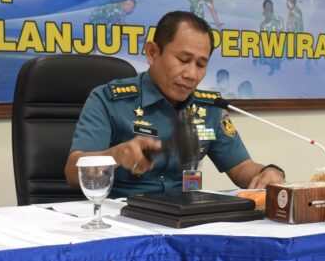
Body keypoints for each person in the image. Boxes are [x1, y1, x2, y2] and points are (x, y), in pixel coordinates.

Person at [64, 11, 286, 196]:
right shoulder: (109, 99)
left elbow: (241, 168)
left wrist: (269, 173)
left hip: (184, 218)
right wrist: (116, 155)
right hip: (122, 217)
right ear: (152, 53)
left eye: (201, 64)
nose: (191, 74)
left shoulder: (209, 109)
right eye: (183, 60)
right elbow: (72, 172)